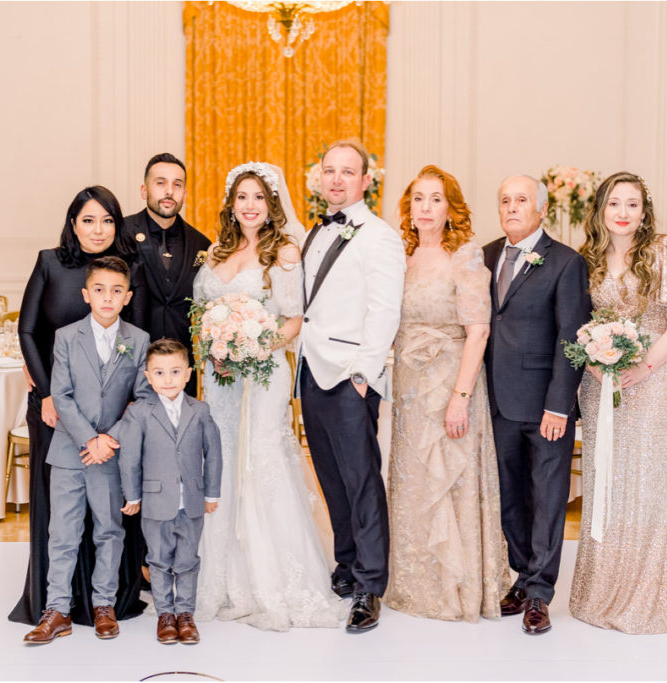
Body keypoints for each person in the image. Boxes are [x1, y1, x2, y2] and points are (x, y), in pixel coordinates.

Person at [193, 161, 347, 631]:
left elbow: (292, 320)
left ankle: (273, 579)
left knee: (260, 460)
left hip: (262, 374)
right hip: (220, 376)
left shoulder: (284, 253)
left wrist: (247, 343)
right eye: (242, 197)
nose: (250, 205)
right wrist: (216, 343)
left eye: (259, 197)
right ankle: (222, 578)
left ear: (272, 203)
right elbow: (202, 312)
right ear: (230, 203)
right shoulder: (216, 251)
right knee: (221, 460)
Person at [10, 187, 148, 628]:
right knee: (61, 517)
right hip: (57, 404)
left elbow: (138, 343)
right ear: (73, 223)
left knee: (108, 517)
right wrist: (48, 393)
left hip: (112, 416)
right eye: (88, 220)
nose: (98, 229)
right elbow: (28, 329)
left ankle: (104, 600)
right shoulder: (50, 262)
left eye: (107, 220)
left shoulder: (130, 271)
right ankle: (56, 603)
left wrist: (118, 426)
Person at [569, 172, 667, 635]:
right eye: (614, 204)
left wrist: (643, 367)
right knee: (604, 482)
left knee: (643, 487)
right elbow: (577, 323)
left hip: (652, 383)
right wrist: (594, 362)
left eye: (632, 205)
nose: (623, 213)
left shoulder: (663, 251)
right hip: (600, 385)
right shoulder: (587, 260)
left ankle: (643, 601)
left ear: (644, 212)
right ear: (600, 211)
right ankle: (598, 594)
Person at [384, 165, 511, 622]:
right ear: (408, 207)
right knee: (415, 481)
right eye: (418, 199)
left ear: (450, 207)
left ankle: (456, 587)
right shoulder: (401, 256)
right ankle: (417, 583)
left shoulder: (467, 257)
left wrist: (460, 396)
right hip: (409, 389)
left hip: (450, 382)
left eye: (436, 199)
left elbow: (478, 332)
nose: (426, 208)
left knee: (450, 480)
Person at [298, 140, 406, 633]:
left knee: (361, 481)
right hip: (311, 372)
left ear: (366, 181)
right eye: (329, 171)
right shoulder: (313, 234)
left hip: (349, 377)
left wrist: (363, 375)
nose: (337, 179)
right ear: (319, 177)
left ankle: (370, 583)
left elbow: (384, 311)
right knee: (331, 479)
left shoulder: (379, 236)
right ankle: (346, 563)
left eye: (348, 172)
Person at [482, 175, 590, 635]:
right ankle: (522, 578)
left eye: (521, 200)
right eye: (505, 200)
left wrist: (559, 405)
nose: (511, 207)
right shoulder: (484, 256)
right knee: (511, 497)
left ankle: (541, 594)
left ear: (541, 209)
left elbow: (572, 337)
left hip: (546, 404)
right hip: (496, 400)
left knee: (547, 499)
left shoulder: (566, 262)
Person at [114, 338, 223, 645]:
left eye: (175, 372)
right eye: (159, 373)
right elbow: (130, 458)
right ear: (148, 376)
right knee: (159, 559)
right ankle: (165, 614)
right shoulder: (139, 414)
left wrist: (211, 494)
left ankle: (185, 614)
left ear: (188, 374)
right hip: (154, 501)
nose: (168, 380)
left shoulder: (200, 410)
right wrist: (132, 497)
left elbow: (213, 454)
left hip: (191, 501)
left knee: (188, 559)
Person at [124, 153, 210, 396]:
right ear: (144, 190)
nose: (169, 191)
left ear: (184, 193)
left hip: (181, 372)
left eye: (177, 184)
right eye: (160, 183)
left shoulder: (201, 244)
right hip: (130, 367)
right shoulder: (121, 234)